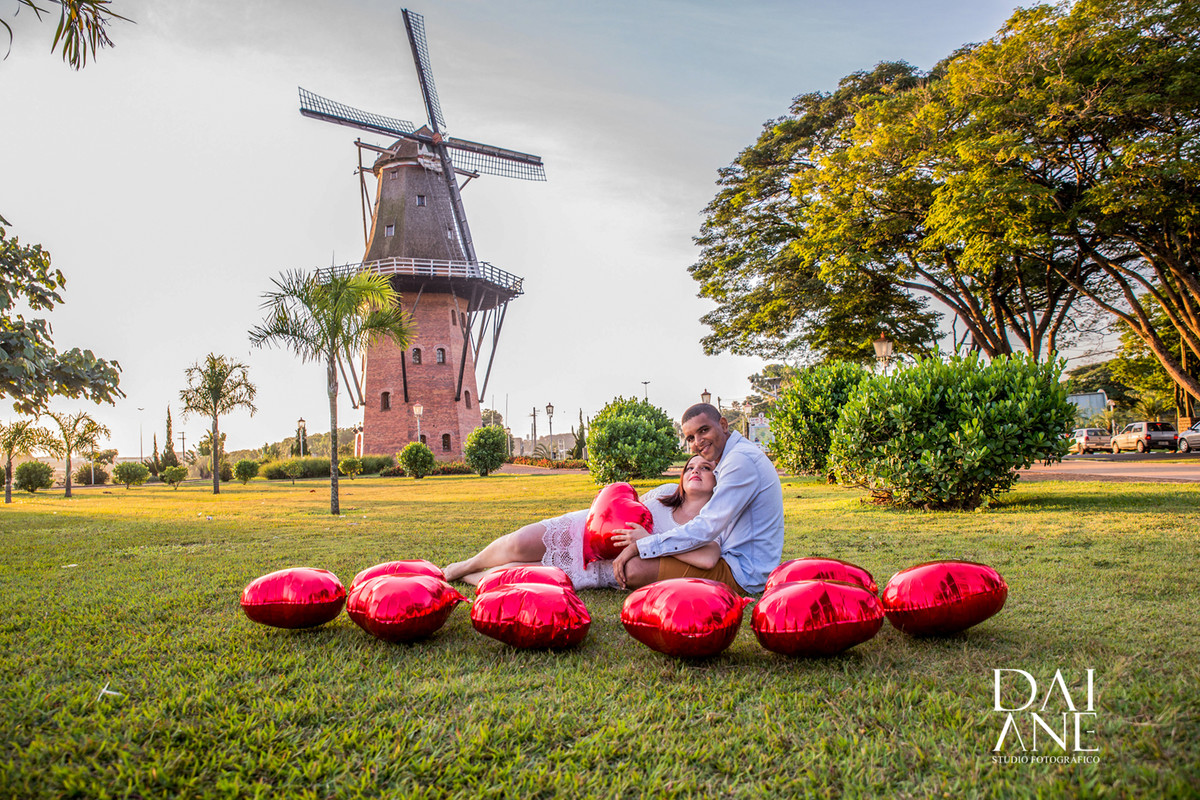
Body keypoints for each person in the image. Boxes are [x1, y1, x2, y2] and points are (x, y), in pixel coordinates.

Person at [442, 455, 721, 588]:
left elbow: (709, 557)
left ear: (718, 480)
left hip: (601, 565)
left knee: (525, 573)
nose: (695, 471)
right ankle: (464, 566)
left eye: (705, 468)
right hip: (585, 529)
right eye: (690, 468)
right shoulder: (664, 492)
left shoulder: (711, 518)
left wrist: (648, 542)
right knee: (518, 542)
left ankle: (472, 577)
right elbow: (624, 503)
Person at [612, 403, 784, 595]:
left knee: (634, 569)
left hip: (742, 573)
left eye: (704, 430)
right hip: (731, 561)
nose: (698, 442)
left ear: (724, 425)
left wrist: (647, 542)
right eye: (691, 438)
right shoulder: (735, 456)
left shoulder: (740, 460)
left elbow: (706, 527)